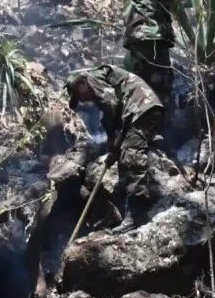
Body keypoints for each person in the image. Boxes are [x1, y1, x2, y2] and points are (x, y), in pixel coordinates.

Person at [65, 64, 164, 232]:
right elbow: (115, 110)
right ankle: (127, 210)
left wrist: (112, 138)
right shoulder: (102, 81)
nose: (83, 101)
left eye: (78, 95)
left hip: (139, 109)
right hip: (143, 110)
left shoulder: (92, 78)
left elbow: (111, 104)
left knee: (131, 159)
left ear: (81, 83)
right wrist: (114, 146)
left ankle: (137, 214)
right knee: (126, 156)